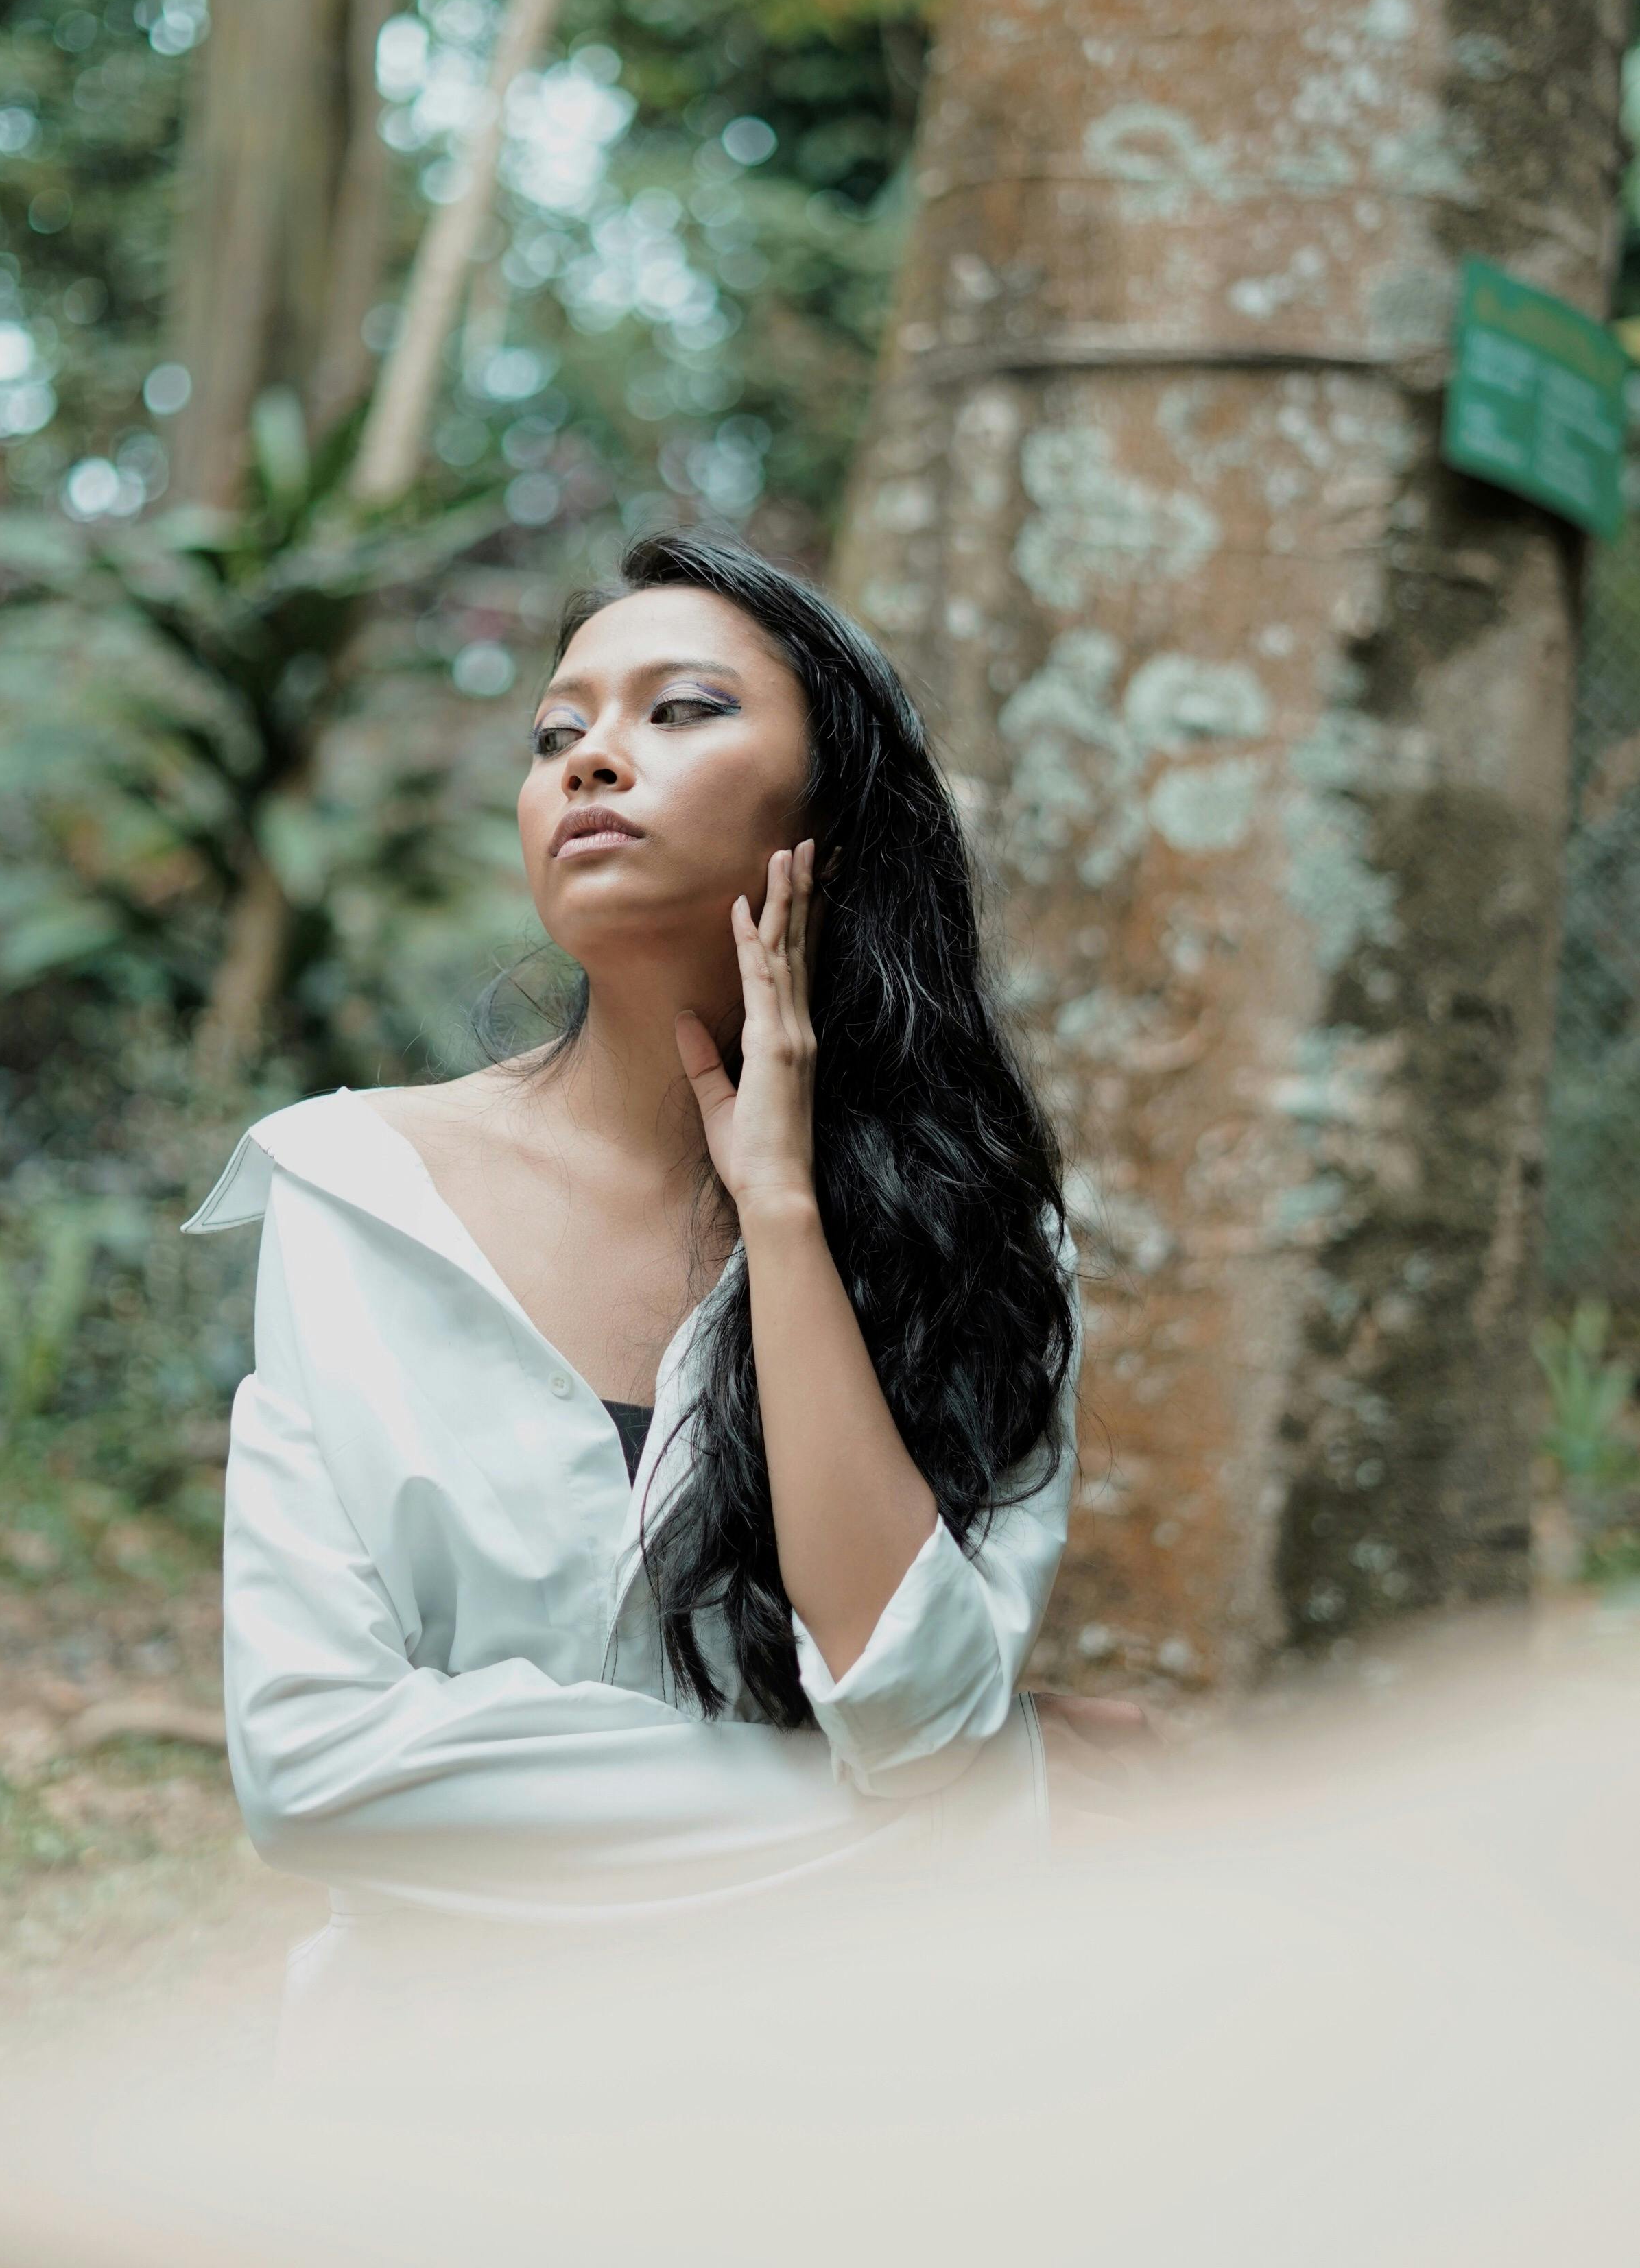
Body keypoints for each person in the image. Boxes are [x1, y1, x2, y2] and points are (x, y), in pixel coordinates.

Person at [184, 530, 1089, 2058]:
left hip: (847, 2083)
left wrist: (784, 1216)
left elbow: (920, 1708)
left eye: (681, 710)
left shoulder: (975, 1239)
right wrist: (963, 1800)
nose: (596, 755)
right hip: (429, 2096)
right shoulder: (354, 1196)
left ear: (833, 817)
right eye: (560, 730)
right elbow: (314, 1766)